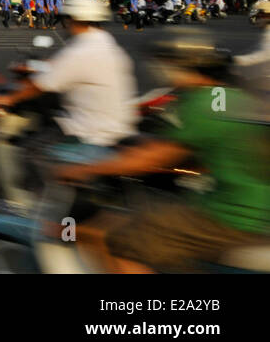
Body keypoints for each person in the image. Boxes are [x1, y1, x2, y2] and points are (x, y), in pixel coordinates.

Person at [57, 31, 270, 273]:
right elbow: (216, 148)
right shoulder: (230, 96)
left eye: (165, 63)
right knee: (147, 221)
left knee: (125, 243)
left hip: (234, 213)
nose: (161, 69)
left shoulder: (201, 103)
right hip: (252, 206)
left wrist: (80, 170)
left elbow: (149, 159)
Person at [0, 0, 137, 212]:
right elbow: (62, 66)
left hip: (90, 131)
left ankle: (26, 207)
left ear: (72, 20)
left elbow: (41, 85)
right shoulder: (107, 46)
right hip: (120, 127)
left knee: (26, 150)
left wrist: (8, 99)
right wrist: (39, 66)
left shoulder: (81, 52)